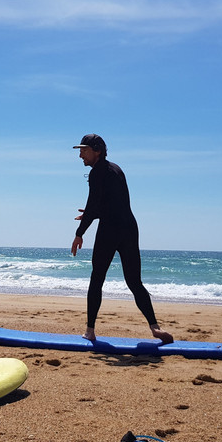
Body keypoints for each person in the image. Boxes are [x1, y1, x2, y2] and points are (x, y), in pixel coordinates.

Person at [70, 134, 172, 344]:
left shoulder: (97, 173)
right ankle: (155, 328)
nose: (80, 155)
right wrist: (92, 212)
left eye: (84, 150)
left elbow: (95, 202)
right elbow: (112, 204)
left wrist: (80, 232)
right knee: (134, 282)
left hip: (110, 229)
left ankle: (90, 331)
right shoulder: (116, 169)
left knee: (97, 278)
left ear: (97, 151)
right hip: (129, 228)